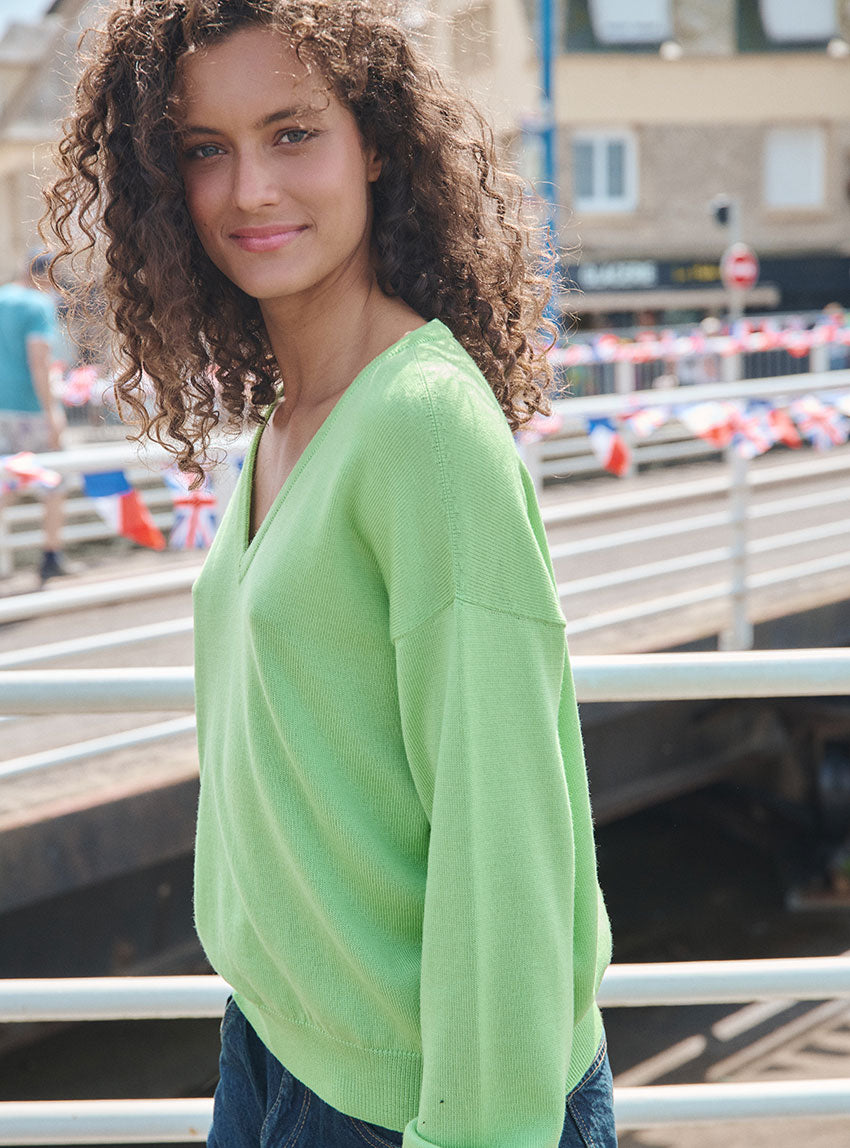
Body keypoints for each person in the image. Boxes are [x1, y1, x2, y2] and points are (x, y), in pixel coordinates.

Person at [43, 2, 615, 1145]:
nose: (250, 189)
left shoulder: (421, 423)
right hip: (278, 1039)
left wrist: (475, 1129)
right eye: (204, 148)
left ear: (377, 145)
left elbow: (503, 829)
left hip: (419, 1094)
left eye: (292, 133)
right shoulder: (292, 417)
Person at [0, 252, 69, 582]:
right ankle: (51, 556)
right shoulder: (39, 305)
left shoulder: (2, 297)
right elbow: (39, 362)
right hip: (30, 408)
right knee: (55, 479)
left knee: (6, 481)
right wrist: (52, 412)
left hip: (2, 408)